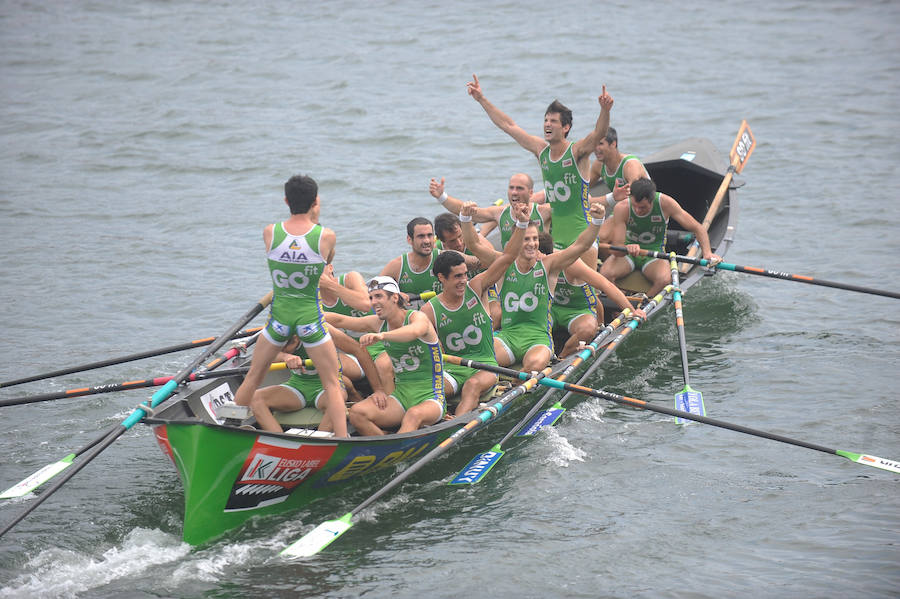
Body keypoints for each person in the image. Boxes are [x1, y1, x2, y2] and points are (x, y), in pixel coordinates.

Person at [233, 174, 347, 437]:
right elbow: (327, 261)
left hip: (279, 319)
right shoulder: (326, 236)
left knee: (253, 376)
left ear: (286, 200)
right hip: (310, 319)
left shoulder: (270, 232)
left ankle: (230, 427)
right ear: (316, 201)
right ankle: (342, 439)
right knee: (332, 383)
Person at [466, 74, 613, 266]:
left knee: (585, 288)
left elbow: (598, 134)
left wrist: (604, 110)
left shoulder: (577, 151)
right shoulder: (541, 150)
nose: (547, 125)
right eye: (545, 120)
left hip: (582, 233)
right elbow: (508, 126)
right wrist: (481, 99)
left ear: (566, 127)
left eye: (553, 121)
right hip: (556, 236)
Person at [463, 199, 608, 372]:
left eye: (534, 239)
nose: (532, 244)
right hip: (508, 337)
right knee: (479, 361)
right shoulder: (502, 264)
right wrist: (465, 219)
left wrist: (597, 221)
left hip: (538, 340)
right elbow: (474, 245)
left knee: (534, 366)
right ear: (515, 241)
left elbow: (581, 246)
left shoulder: (549, 265)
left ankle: (517, 388)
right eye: (526, 239)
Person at [421, 201, 528, 415]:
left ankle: (454, 428)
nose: (463, 281)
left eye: (464, 275)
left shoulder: (477, 287)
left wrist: (522, 226)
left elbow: (507, 258)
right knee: (430, 391)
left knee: (471, 387)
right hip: (453, 367)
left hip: (485, 365)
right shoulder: (429, 310)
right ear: (442, 278)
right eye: (457, 277)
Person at [332, 276, 445, 435]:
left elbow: (414, 332)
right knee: (356, 413)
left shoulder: (417, 318)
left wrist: (382, 336)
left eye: (378, 296)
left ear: (395, 297)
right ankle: (386, 445)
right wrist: (309, 315)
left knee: (413, 415)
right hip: (400, 397)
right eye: (371, 298)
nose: (373, 302)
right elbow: (340, 320)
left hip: (431, 396)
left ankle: (399, 450)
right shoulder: (377, 323)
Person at [248, 326, 385, 434]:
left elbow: (359, 351)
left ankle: (319, 440)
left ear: (296, 338)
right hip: (297, 386)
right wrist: (284, 357)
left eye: (285, 348)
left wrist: (378, 390)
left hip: (326, 386)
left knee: (336, 399)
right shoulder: (277, 330)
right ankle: (280, 442)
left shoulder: (322, 330)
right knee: (255, 398)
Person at [600, 178, 722, 297]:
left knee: (664, 280)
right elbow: (616, 250)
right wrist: (626, 248)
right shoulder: (622, 208)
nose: (637, 210)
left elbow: (698, 228)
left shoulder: (666, 203)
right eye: (635, 206)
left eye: (642, 207)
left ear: (652, 200)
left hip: (654, 254)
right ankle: (620, 300)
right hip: (628, 253)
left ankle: (644, 304)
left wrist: (707, 253)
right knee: (605, 274)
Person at [537, 232, 647, 358]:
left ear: (544, 256)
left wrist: (632, 311)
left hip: (577, 311)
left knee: (588, 329)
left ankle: (561, 359)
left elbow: (605, 285)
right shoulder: (527, 259)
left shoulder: (571, 264)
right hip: (550, 309)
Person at [429, 173, 550, 250]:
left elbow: (568, 210)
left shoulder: (543, 211)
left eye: (519, 188)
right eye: (511, 188)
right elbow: (466, 210)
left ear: (530, 193)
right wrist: (441, 197)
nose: (514, 192)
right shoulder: (500, 213)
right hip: (511, 268)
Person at [380, 217, 443, 302]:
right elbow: (373, 290)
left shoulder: (444, 258)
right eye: (421, 236)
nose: (427, 241)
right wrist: (393, 294)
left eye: (429, 235)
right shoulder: (397, 266)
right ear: (409, 240)